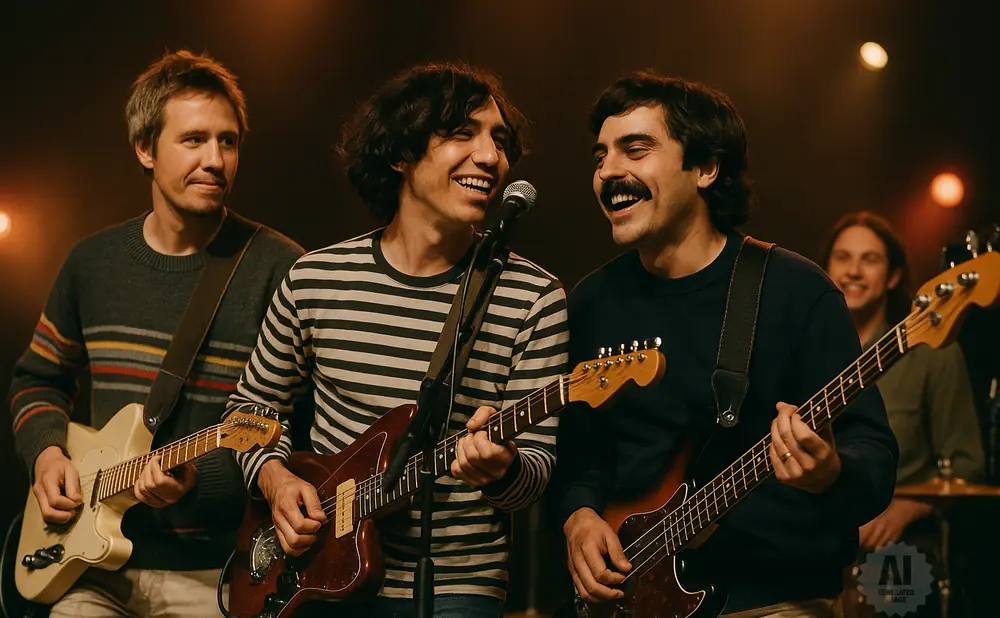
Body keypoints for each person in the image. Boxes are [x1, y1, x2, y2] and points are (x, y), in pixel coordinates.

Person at [226, 62, 569, 618]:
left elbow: (535, 473)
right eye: (463, 133)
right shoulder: (317, 278)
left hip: (460, 582)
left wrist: (502, 468)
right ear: (400, 153)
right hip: (315, 569)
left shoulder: (533, 297)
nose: (491, 156)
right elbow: (248, 410)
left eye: (499, 140)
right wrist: (275, 479)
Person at [557, 72, 899, 618]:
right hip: (628, 600)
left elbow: (875, 461)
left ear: (706, 168)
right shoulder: (592, 302)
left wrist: (831, 471)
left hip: (771, 599)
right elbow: (579, 452)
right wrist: (579, 515)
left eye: (636, 150)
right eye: (600, 157)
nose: (609, 172)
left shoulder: (795, 291)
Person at [8, 50, 304, 618]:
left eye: (229, 141)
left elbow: (297, 427)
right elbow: (36, 380)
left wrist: (197, 480)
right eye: (193, 140)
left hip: (216, 572)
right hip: (88, 567)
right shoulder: (91, 263)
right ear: (145, 148)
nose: (215, 160)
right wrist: (46, 454)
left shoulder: (280, 268)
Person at [823, 211, 984, 617]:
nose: (854, 271)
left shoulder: (933, 352)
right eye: (842, 257)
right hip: (818, 545)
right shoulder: (808, 353)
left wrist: (905, 509)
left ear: (893, 276)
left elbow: (969, 463)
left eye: (870, 259)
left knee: (895, 594)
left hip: (899, 550)